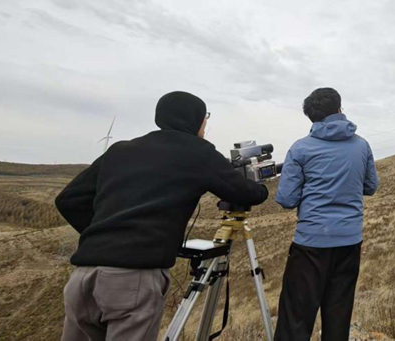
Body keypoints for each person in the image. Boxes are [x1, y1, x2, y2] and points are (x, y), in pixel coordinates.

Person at [55, 91, 268, 341]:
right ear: (196, 118)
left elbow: (68, 199)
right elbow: (245, 193)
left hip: (83, 277)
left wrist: (104, 233)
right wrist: (261, 185)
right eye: (205, 118)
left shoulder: (120, 150)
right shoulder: (197, 152)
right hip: (133, 279)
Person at [274, 87, 379, 341]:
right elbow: (370, 186)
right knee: (338, 316)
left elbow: (287, 199)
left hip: (310, 244)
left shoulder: (300, 149)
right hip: (350, 242)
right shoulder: (362, 146)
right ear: (340, 109)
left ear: (311, 116)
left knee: (296, 318)